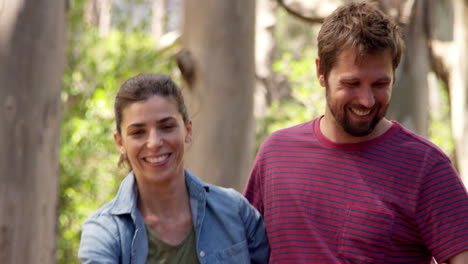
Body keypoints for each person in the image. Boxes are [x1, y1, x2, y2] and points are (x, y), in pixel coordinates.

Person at [244, 2, 468, 264]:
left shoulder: (426, 167)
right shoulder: (276, 155)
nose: (367, 100)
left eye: (380, 84)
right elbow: (241, 249)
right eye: (352, 83)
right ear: (321, 72)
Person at [78, 74, 269, 263]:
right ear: (120, 142)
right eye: (138, 132)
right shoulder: (103, 231)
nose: (154, 143)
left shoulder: (236, 212)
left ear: (188, 130)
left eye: (167, 127)